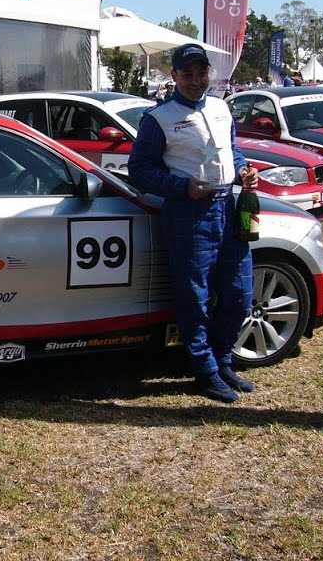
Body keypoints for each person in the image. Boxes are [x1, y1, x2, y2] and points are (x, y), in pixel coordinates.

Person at [128, 43, 260, 403]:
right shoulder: (159, 118)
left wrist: (244, 171)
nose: (195, 80)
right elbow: (139, 170)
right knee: (194, 298)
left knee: (239, 293)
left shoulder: (221, 108)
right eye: (187, 74)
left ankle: (224, 360)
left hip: (228, 208)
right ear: (174, 76)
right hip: (188, 214)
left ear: (209, 74)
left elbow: (231, 152)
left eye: (201, 73)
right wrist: (182, 188)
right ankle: (205, 371)